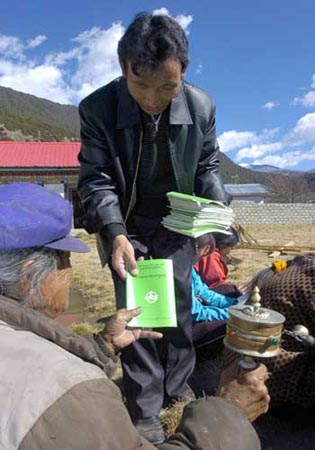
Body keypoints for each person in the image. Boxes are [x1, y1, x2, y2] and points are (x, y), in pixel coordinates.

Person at [0, 182, 269, 450]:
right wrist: (230, 412)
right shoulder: (68, 393)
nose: (70, 272)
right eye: (65, 260)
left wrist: (102, 347)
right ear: (28, 277)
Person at [77, 11, 232, 442]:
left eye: (167, 87)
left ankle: (177, 392)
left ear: (183, 71)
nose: (152, 98)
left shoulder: (201, 106)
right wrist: (114, 231)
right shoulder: (97, 108)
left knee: (180, 307)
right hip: (126, 225)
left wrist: (212, 216)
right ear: (124, 68)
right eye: (140, 85)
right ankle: (144, 407)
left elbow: (207, 166)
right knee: (139, 312)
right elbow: (96, 178)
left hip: (177, 221)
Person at [194, 227, 242, 298]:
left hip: (201, 288)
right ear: (223, 244)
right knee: (228, 290)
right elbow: (214, 281)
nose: (230, 251)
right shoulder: (210, 254)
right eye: (231, 247)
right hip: (203, 291)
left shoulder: (211, 252)